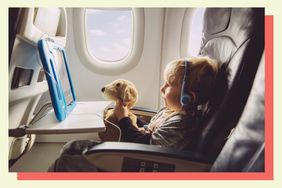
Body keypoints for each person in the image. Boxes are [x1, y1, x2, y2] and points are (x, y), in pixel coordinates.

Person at [114, 56, 221, 150]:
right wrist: (131, 117)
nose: (162, 88)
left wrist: (123, 119)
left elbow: (143, 144)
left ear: (187, 97)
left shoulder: (180, 123)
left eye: (168, 85)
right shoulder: (170, 110)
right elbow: (150, 129)